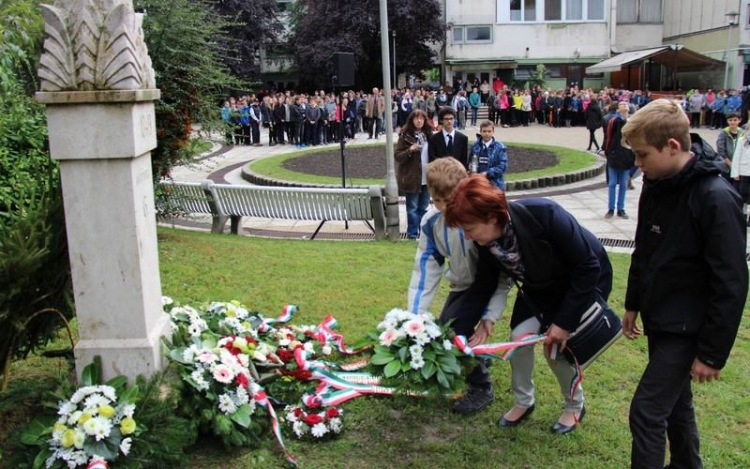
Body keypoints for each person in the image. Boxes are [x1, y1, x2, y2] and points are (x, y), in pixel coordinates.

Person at [621, 98, 748, 469]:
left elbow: (732, 281)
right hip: (660, 318)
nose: (637, 164)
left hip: (688, 327)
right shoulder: (656, 182)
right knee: (676, 407)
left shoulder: (716, 197)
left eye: (643, 155)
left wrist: (711, 353)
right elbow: (644, 247)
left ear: (672, 147)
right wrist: (633, 301)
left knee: (646, 412)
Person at [444, 176, 613, 434]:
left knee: (555, 349)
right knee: (517, 339)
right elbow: (483, 286)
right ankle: (524, 401)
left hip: (580, 284)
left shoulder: (545, 214)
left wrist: (564, 323)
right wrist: (456, 330)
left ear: (491, 217)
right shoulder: (486, 243)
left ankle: (574, 406)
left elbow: (588, 267)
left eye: (469, 227)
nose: (466, 235)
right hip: (539, 288)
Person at [407, 157, 510, 415]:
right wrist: (415, 317)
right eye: (438, 201)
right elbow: (426, 269)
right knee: (445, 331)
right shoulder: (432, 223)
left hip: (486, 285)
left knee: (456, 332)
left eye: (450, 201)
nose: (444, 208)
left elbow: (502, 274)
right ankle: (479, 357)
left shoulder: (481, 218)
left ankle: (481, 387)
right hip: (461, 285)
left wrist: (489, 315)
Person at [395, 110, 433, 240]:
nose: (419, 121)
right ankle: (412, 234)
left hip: (426, 178)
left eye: (422, 118)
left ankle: (423, 234)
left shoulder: (429, 136)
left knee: (424, 207)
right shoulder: (405, 137)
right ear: (411, 120)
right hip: (411, 178)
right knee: (412, 208)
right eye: (416, 118)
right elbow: (398, 156)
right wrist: (410, 150)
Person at [603, 101, 635, 218]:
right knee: (612, 184)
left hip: (626, 157)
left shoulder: (631, 121)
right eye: (622, 104)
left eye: (626, 104)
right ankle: (611, 209)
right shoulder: (614, 121)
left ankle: (621, 209)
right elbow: (611, 134)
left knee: (623, 184)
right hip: (614, 155)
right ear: (617, 109)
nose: (625, 105)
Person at [468, 120, 508, 189]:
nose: (487, 133)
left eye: (489, 131)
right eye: (484, 131)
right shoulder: (475, 146)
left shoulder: (500, 147)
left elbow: (503, 166)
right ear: (480, 132)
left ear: (493, 132)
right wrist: (471, 171)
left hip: (495, 184)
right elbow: (470, 162)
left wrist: (487, 173)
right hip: (478, 183)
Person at [716, 111, 743, 181]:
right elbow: (721, 150)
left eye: (735, 120)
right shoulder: (723, 133)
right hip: (726, 166)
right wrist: (731, 164)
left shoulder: (743, 133)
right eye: (730, 120)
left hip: (739, 166)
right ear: (727, 121)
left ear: (739, 120)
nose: (732, 122)